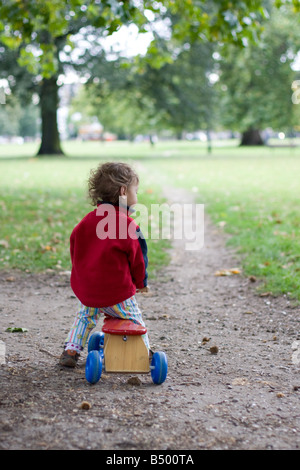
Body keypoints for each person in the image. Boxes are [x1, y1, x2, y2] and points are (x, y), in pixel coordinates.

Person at [59, 162, 149, 368]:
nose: (137, 196)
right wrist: (141, 282)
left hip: (88, 290)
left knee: (84, 317)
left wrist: (82, 279)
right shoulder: (129, 226)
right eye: (136, 190)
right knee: (134, 321)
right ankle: (141, 353)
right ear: (124, 191)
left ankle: (71, 350)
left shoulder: (85, 223)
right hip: (117, 292)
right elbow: (138, 260)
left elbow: (75, 252)